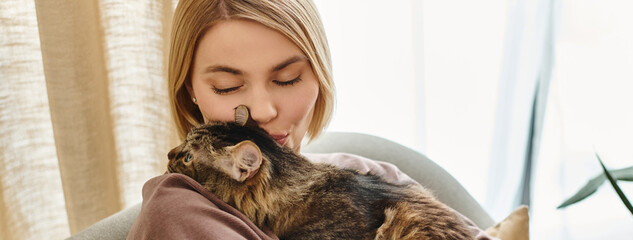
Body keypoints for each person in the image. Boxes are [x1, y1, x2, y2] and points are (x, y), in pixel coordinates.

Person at [127, 0, 495, 239]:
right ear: (188, 88)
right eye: (227, 87)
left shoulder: (364, 171)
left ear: (320, 74)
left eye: (287, 79)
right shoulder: (179, 207)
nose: (263, 111)